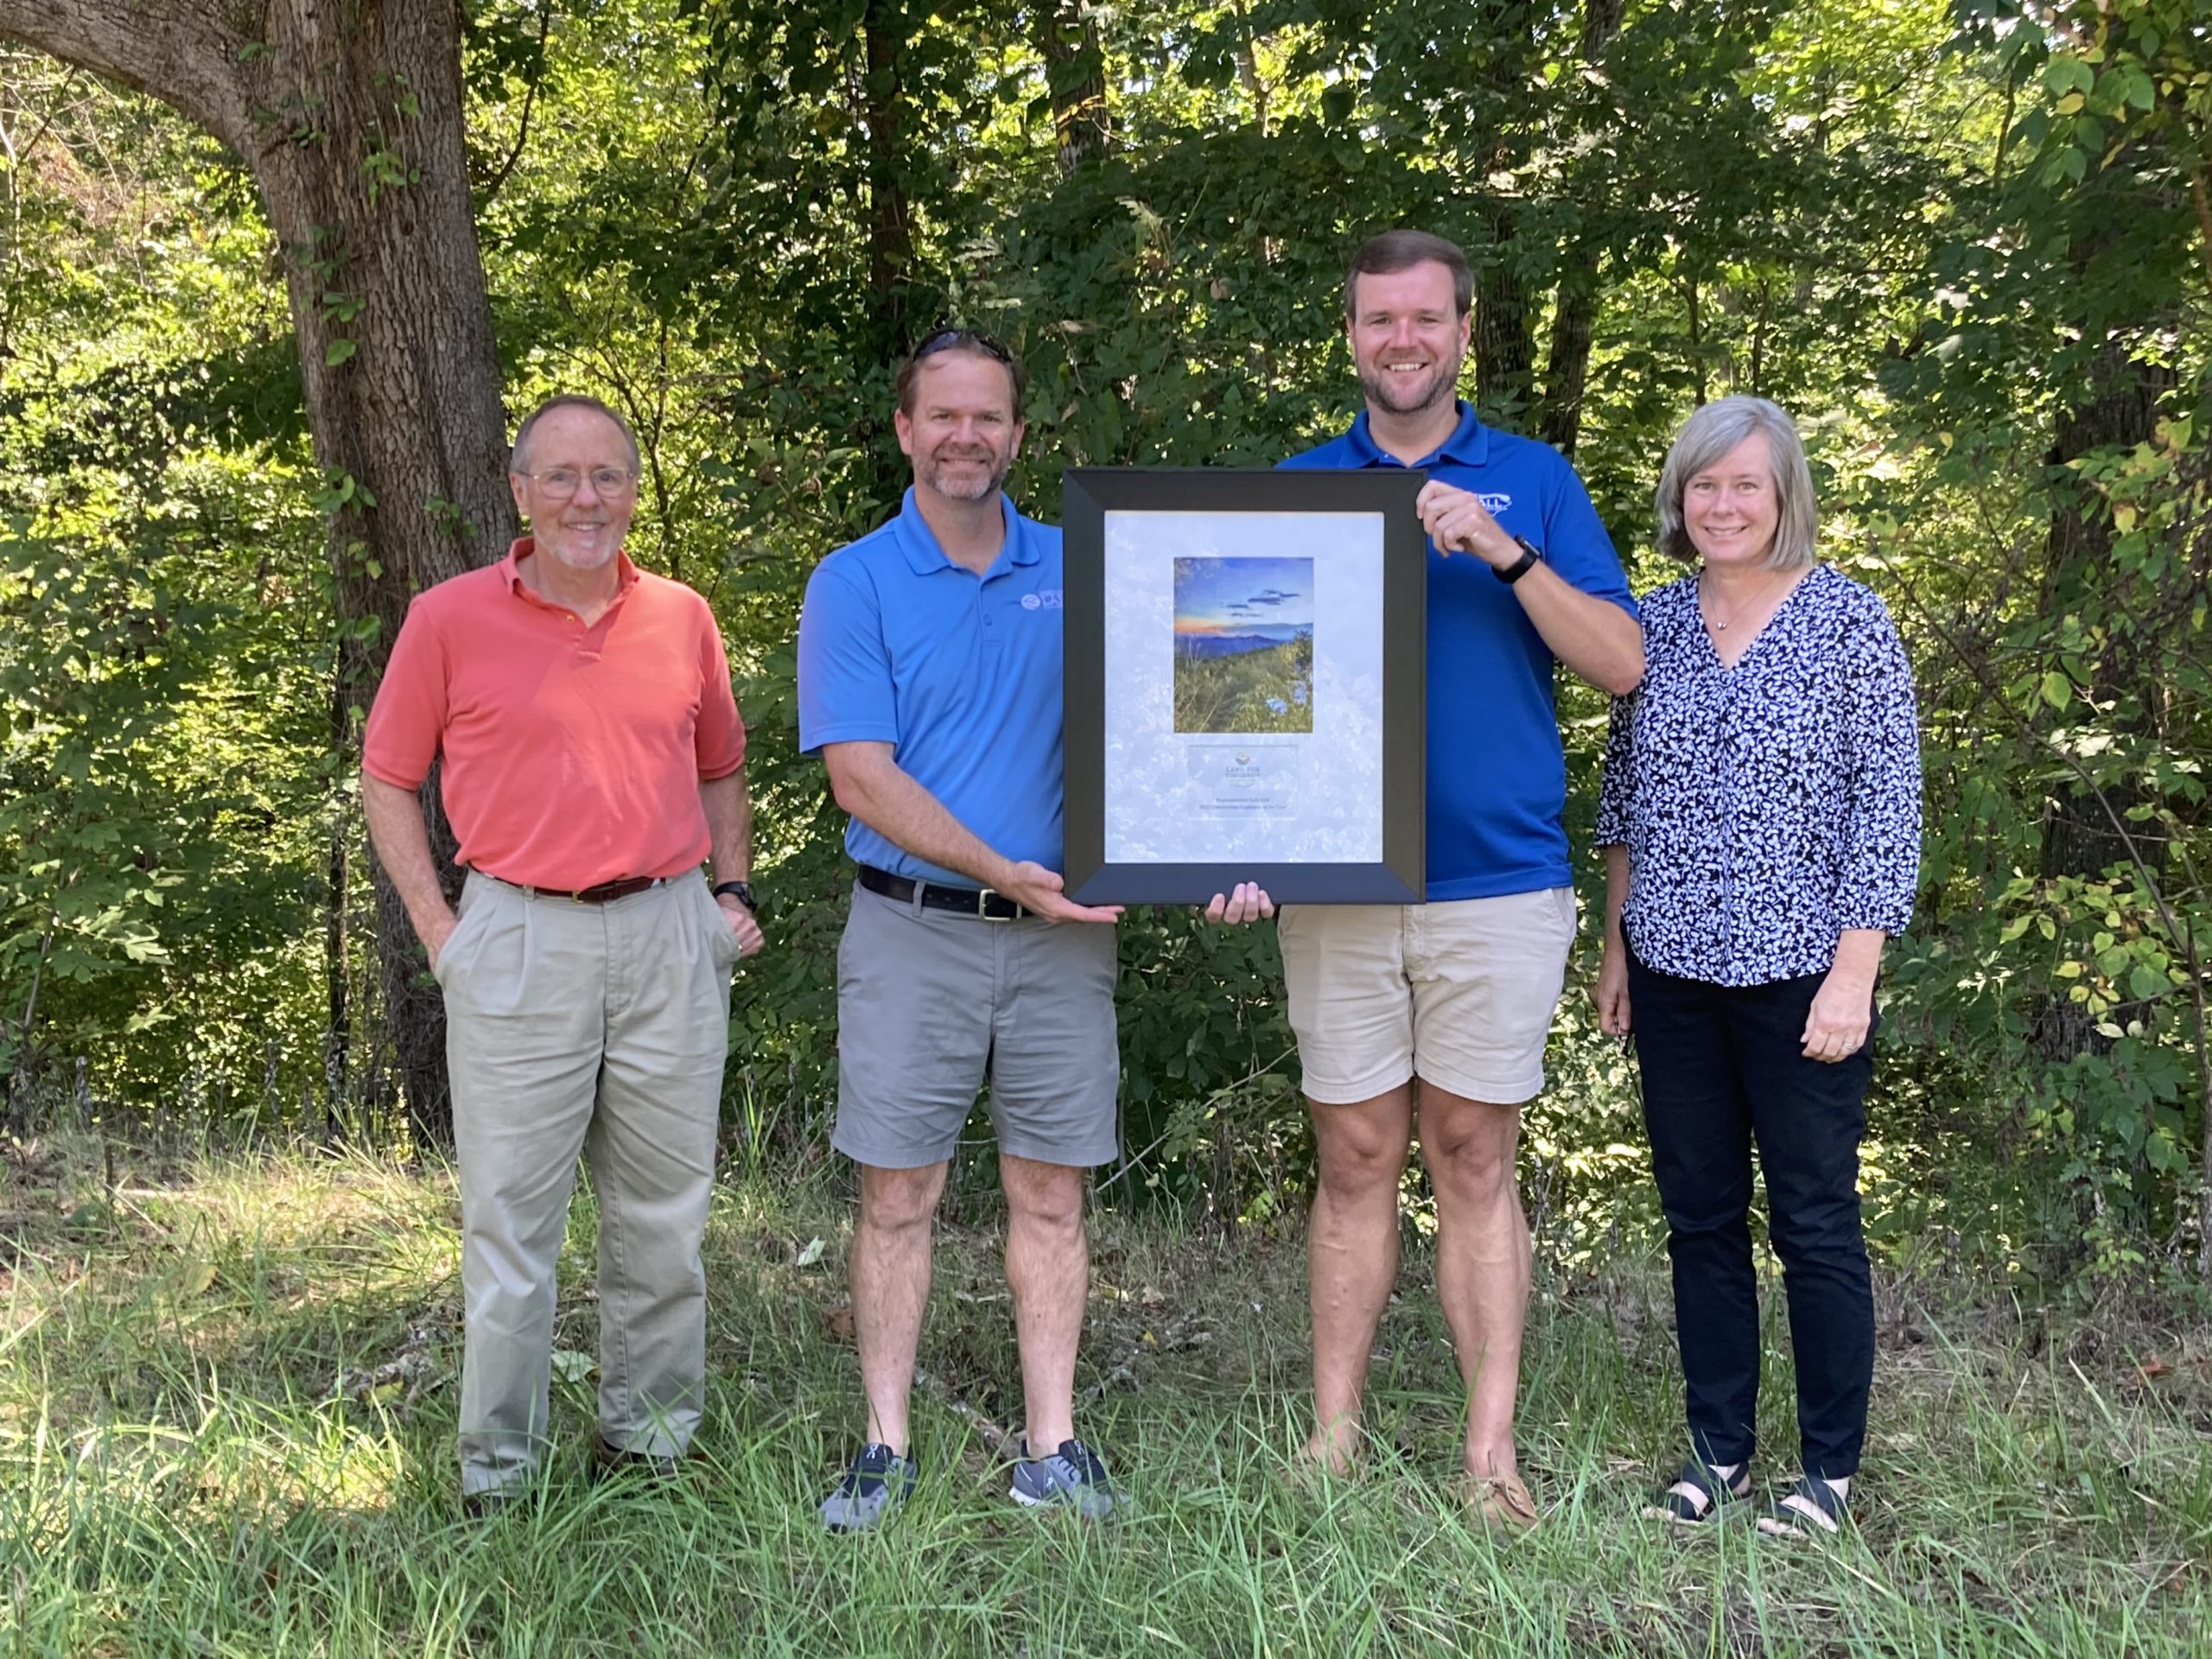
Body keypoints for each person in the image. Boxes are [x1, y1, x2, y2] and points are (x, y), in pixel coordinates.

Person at [800, 328, 1218, 1530]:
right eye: (944, 415)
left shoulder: (1092, 570)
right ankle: (883, 1447)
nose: (966, 436)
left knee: (1051, 1197)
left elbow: (1188, 718)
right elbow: (860, 778)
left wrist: (1237, 853)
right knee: (897, 1198)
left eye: (989, 417)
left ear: (1019, 436)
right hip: (910, 931)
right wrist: (1004, 870)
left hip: (1060, 944)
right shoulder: (856, 580)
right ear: (905, 430)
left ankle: (1052, 1445)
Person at [1269, 229, 1644, 1525]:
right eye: (1381, 321)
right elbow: (1241, 698)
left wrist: (1504, 551)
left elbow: (1623, 664)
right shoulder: (1300, 488)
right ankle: (1334, 1438)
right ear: (1353, 334)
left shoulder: (1533, 481)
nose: (1404, 341)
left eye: (1427, 320)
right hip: (1340, 887)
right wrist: (1236, 844)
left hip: (1500, 881)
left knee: (1475, 1154)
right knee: (1356, 1151)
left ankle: (1491, 1459)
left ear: (1465, 332)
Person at [361, 393, 766, 1509]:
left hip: (668, 935)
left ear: (634, 491)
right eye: (563, 477)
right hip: (517, 934)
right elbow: (388, 778)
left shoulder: (684, 616)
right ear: (520, 491)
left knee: (665, 1219)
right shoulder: (447, 618)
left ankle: (650, 1446)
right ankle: (499, 1473)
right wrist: (445, 935)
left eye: (610, 478)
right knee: (510, 1226)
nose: (587, 500)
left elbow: (721, 764)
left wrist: (727, 894)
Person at [1592, 395, 1921, 1537]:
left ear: (1785, 498)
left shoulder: (1850, 625)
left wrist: (1856, 971)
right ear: (1679, 501)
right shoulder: (1653, 629)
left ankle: (1829, 1469)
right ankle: (1717, 1453)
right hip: (1674, 965)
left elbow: (1887, 810)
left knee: (1816, 1218)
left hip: (1803, 973)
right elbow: (1624, 800)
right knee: (1700, 1215)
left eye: (1745, 485)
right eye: (1704, 484)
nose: (1722, 504)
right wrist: (1616, 943)